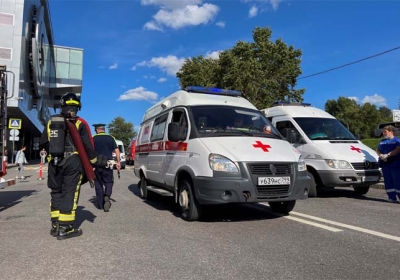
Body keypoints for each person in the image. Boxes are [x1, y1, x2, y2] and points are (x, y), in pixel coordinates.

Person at [40, 92, 108, 240]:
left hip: (54, 163)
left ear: (62, 105)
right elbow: (88, 147)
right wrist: (98, 162)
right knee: (70, 192)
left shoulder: (51, 123)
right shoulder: (80, 123)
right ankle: (65, 228)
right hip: (72, 162)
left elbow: (43, 143)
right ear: (78, 108)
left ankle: (55, 225)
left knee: (56, 192)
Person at [92, 124, 121, 212]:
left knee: (98, 183)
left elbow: (89, 151)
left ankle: (100, 204)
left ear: (97, 130)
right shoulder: (110, 137)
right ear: (103, 129)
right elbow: (117, 150)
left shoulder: (93, 138)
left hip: (96, 164)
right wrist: (118, 162)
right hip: (108, 164)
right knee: (109, 182)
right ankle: (107, 196)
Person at [376, 125, 400, 203]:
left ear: (391, 132)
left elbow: (397, 149)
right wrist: (381, 155)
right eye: (383, 131)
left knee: (397, 181)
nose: (383, 133)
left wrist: (388, 155)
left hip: (395, 164)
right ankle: (391, 197)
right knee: (388, 181)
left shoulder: (397, 140)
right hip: (385, 164)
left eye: (385, 131)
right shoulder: (382, 141)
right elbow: (378, 150)